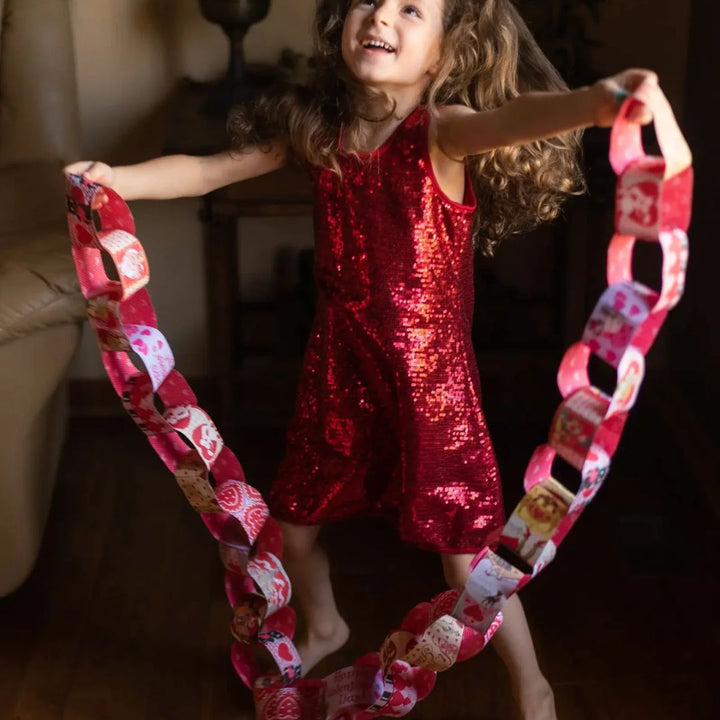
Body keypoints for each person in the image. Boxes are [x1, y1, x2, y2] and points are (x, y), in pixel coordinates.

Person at [66, 1, 657, 717]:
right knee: (296, 519)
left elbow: (518, 118)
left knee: (467, 554)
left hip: (430, 382)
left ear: (445, 52)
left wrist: (599, 102)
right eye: (369, 1)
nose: (382, 15)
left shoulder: (442, 132)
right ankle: (326, 625)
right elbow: (207, 169)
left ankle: (532, 684)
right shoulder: (322, 131)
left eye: (412, 9)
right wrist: (115, 177)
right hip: (340, 365)